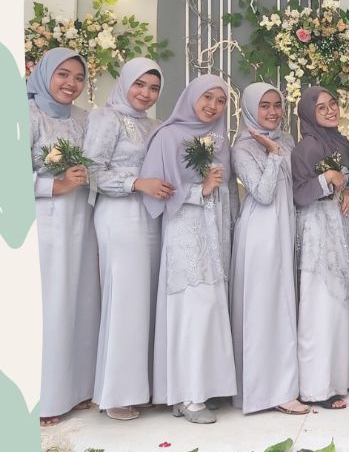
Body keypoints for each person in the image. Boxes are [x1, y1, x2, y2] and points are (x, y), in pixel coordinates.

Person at [139, 74, 238, 424]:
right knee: (192, 307)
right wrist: (200, 190)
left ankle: (204, 388)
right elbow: (158, 192)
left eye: (221, 100)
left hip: (214, 231)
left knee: (211, 306)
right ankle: (187, 396)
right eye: (207, 97)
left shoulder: (219, 139)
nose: (213, 106)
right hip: (185, 229)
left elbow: (228, 189)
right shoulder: (168, 136)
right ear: (191, 97)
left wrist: (231, 221)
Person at [83, 58, 172, 421]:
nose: (146, 94)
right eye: (139, 85)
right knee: (125, 299)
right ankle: (117, 393)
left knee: (146, 299)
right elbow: (91, 171)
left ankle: (143, 387)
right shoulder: (105, 118)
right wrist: (136, 183)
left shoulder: (156, 125)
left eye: (154, 88)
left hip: (151, 217)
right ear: (124, 83)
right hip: (119, 216)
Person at [29, 48, 100, 426]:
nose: (71, 84)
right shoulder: (26, 115)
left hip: (83, 223)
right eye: (63, 75)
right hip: (46, 224)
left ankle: (78, 389)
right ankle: (45, 399)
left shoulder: (84, 119)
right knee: (52, 306)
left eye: (78, 77)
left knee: (83, 302)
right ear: (45, 75)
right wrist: (53, 185)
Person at [230, 83, 307, 415]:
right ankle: (265, 391)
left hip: (285, 226)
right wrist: (273, 155)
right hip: (260, 232)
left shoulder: (287, 139)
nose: (273, 112)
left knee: (282, 305)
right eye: (265, 106)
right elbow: (262, 194)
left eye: (277, 105)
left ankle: (283, 386)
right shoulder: (242, 148)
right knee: (264, 308)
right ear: (250, 109)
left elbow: (299, 182)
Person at [292, 86, 349, 409]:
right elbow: (298, 194)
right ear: (309, 114)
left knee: (338, 302)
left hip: (339, 225)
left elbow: (345, 182)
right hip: (318, 229)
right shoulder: (307, 147)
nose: (331, 110)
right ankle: (316, 386)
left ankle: (339, 378)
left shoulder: (340, 143)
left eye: (333, 104)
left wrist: (347, 191)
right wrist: (327, 179)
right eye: (321, 108)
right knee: (319, 305)